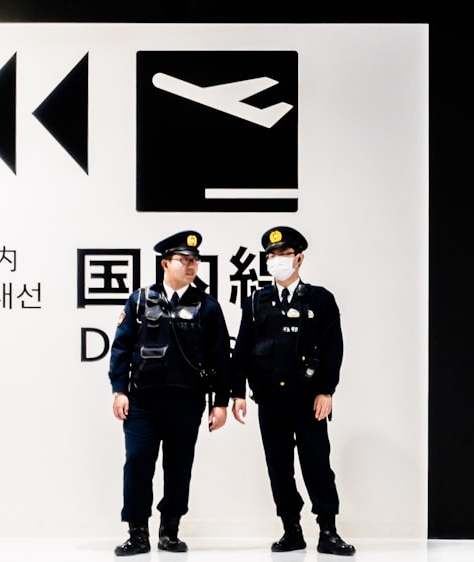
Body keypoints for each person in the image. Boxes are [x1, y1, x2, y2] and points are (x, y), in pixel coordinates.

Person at [231, 226, 355, 556]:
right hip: (270, 400)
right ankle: (291, 529)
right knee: (279, 466)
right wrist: (237, 393)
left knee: (317, 463)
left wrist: (327, 391)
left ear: (299, 258)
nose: (277, 261)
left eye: (284, 255)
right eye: (271, 256)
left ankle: (328, 530)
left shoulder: (320, 299)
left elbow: (333, 349)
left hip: (308, 400)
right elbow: (242, 349)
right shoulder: (257, 301)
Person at [107, 230, 231, 556]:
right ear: (165, 263)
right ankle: (137, 533)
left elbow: (221, 358)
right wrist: (119, 390)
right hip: (143, 403)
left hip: (186, 403)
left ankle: (170, 531)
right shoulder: (139, 301)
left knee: (178, 467)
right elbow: (121, 348)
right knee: (137, 463)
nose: (190, 266)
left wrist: (220, 403)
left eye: (194, 260)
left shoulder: (207, 307)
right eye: (183, 260)